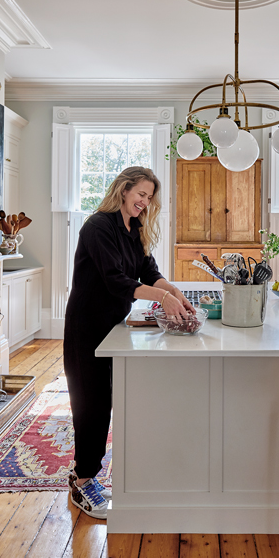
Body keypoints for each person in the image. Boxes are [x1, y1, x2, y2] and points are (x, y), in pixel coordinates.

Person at [64, 166, 194, 519]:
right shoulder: (98, 226)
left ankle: (89, 472)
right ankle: (82, 480)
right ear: (123, 190)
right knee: (91, 403)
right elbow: (115, 280)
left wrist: (173, 292)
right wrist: (161, 299)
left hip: (112, 323)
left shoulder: (133, 228)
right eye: (140, 194)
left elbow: (148, 271)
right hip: (87, 324)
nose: (144, 202)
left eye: (149, 197)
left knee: (106, 399)